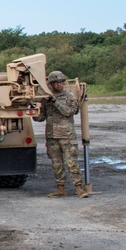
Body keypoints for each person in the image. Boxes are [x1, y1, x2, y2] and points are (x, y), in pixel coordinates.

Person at [34, 70, 89, 198]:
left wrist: (55, 101)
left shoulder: (69, 96)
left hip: (67, 135)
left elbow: (69, 112)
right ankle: (60, 188)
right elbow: (41, 118)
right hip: (52, 135)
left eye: (60, 82)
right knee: (56, 164)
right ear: (51, 84)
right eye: (55, 83)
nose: (58, 85)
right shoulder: (46, 99)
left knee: (72, 163)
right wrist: (35, 110)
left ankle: (79, 187)